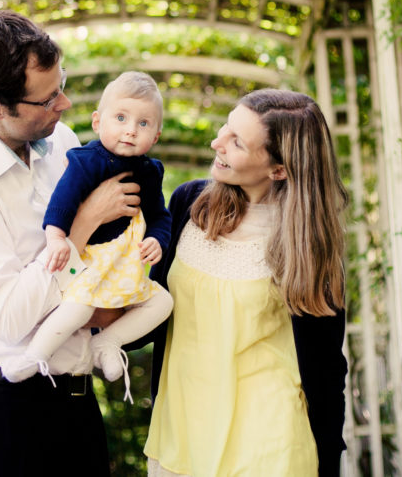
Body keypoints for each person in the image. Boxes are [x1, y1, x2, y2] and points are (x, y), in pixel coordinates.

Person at [0, 9, 140, 476]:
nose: (66, 104)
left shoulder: (62, 144)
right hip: (2, 413)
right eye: (47, 99)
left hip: (75, 402)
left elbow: (96, 270)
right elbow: (9, 318)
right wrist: (82, 224)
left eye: (61, 85)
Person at [142, 89, 349, 477]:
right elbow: (150, 309)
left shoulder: (307, 245)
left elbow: (325, 369)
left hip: (270, 443)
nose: (216, 142)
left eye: (237, 142)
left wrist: (329, 462)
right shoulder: (189, 204)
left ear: (279, 169)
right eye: (226, 128)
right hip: (182, 430)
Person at [2, 72, 174, 399]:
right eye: (121, 118)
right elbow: (62, 203)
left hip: (125, 268)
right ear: (98, 122)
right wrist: (55, 238)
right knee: (78, 307)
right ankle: (34, 355)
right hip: (90, 263)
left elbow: (159, 215)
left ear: (156, 135)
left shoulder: (151, 172)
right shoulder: (86, 161)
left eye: (143, 124)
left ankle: (108, 342)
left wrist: (157, 239)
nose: (130, 130)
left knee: (162, 301)